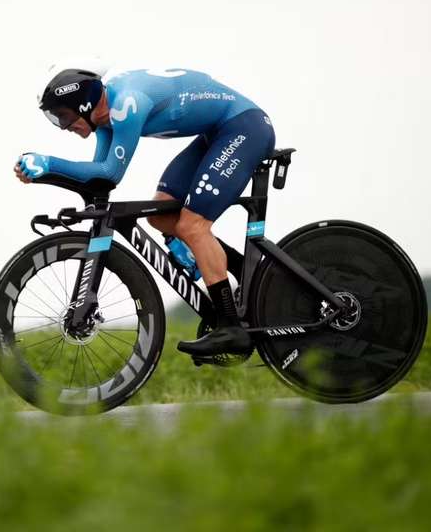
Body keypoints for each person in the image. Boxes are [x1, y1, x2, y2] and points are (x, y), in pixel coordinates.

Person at [14, 63, 275, 357]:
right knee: (161, 214)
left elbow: (110, 173)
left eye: (63, 115)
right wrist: (46, 176)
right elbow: (98, 182)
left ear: (83, 102)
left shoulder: (127, 104)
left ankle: (231, 327)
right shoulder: (105, 121)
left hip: (244, 127)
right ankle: (252, 276)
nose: (63, 126)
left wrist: (49, 164)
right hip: (218, 133)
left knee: (193, 225)